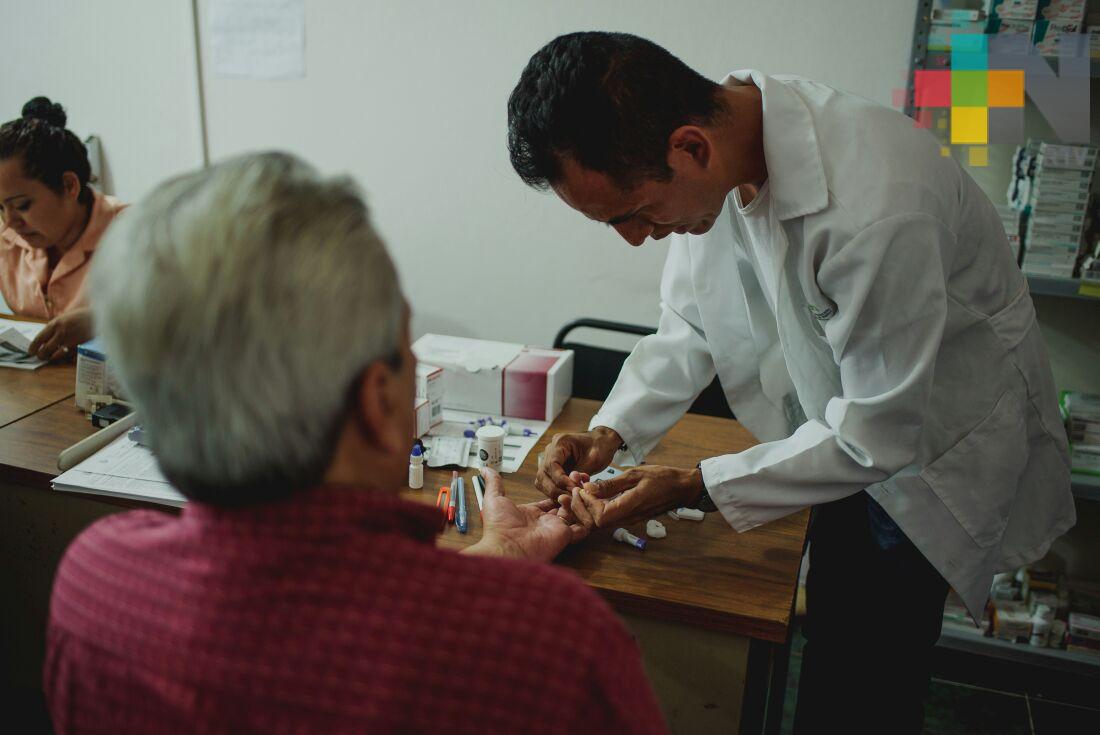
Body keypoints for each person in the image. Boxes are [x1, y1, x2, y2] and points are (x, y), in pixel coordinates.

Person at [507, 32, 1075, 734]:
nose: (634, 238)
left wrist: (694, 485)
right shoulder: (714, 164)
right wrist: (609, 431)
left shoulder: (874, 202)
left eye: (632, 213)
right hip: (837, 427)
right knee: (835, 620)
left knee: (877, 659)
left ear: (689, 147)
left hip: (934, 442)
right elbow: (689, 322)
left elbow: (876, 434)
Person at [44, 152, 666, 734]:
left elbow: (309, 620)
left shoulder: (94, 582)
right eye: (406, 353)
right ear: (377, 400)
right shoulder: (554, 643)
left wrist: (499, 553)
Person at [0, 97, 125, 361]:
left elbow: (187, 321)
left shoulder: (133, 234)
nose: (9, 222)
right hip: (39, 392)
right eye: (0, 208)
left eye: (22, 205)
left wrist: (101, 322)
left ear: (69, 186)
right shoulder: (8, 236)